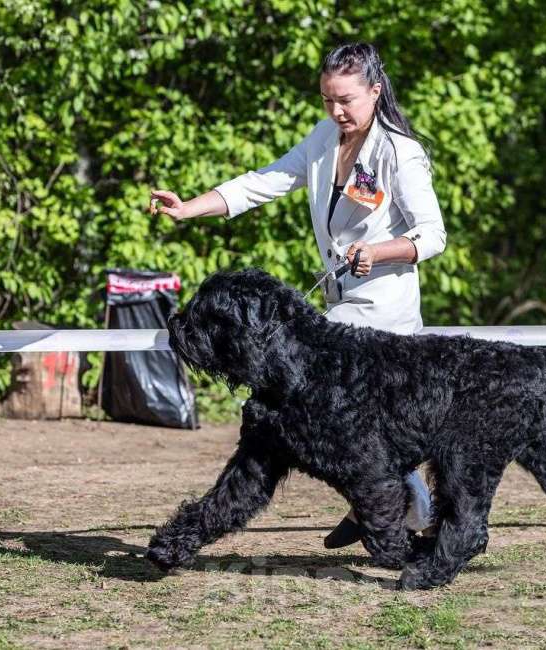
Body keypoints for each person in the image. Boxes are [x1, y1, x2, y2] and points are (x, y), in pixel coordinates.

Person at [149, 42, 446, 549]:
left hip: (384, 314)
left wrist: (380, 250)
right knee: (339, 428)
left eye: (347, 100)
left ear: (375, 91)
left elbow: (432, 235)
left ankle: (406, 519)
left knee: (361, 435)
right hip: (338, 310)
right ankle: (387, 514)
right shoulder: (324, 139)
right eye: (328, 99)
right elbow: (264, 182)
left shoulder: (400, 151)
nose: (336, 111)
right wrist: (188, 209)